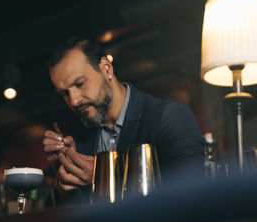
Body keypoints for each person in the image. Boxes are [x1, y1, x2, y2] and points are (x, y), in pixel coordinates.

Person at [43, 37, 203, 200]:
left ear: (106, 69)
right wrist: (61, 178)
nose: (74, 101)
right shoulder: (74, 138)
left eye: (79, 84)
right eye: (64, 93)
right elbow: (59, 217)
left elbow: (191, 196)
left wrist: (103, 176)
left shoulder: (169, 116)